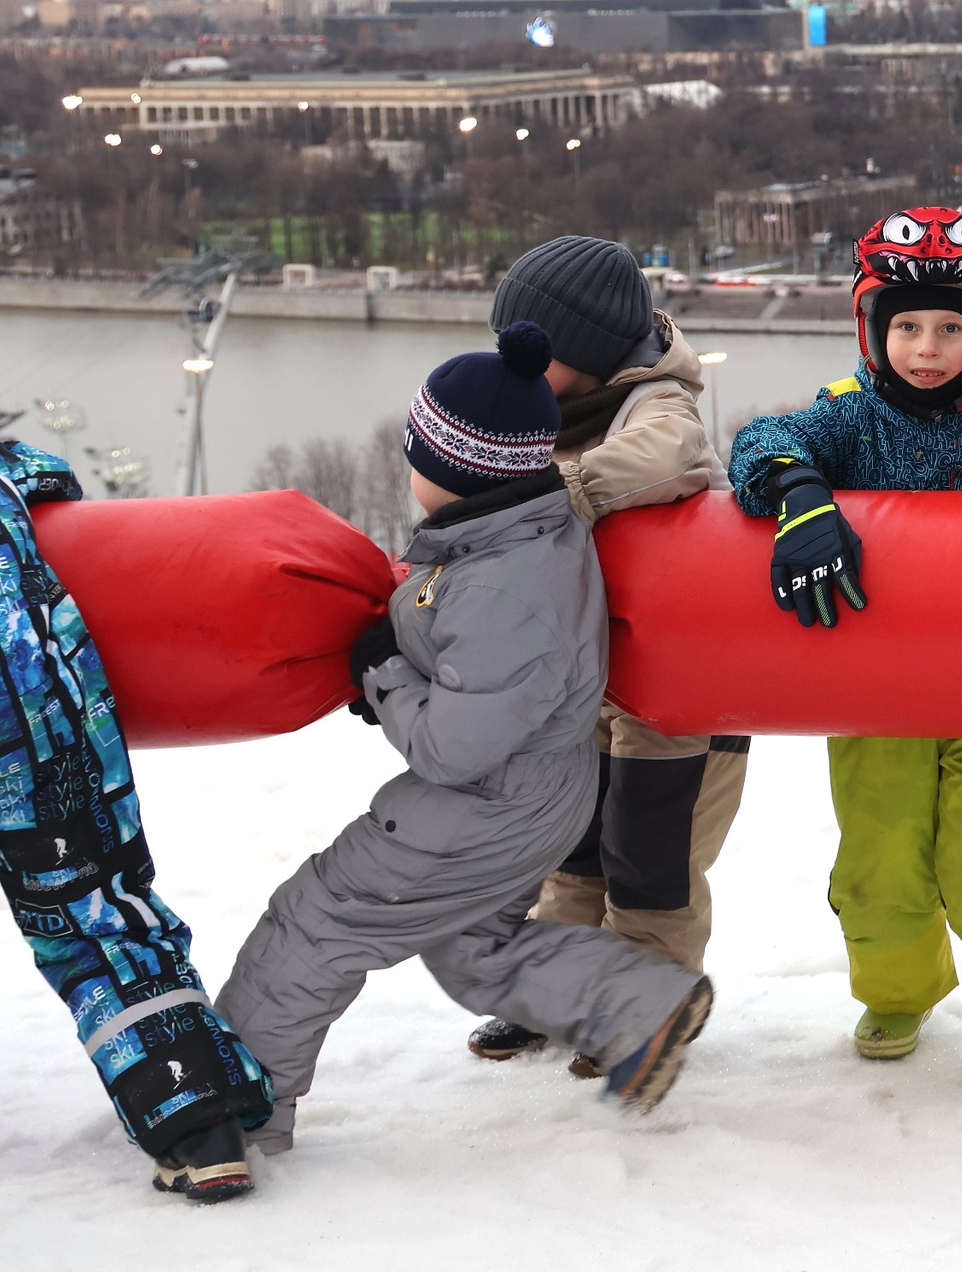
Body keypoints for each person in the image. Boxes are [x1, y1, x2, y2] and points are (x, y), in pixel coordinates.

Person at [217, 323, 715, 1153]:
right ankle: (640, 1004)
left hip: (484, 804)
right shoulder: (515, 533)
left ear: (448, 467)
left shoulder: (501, 585)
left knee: (317, 921)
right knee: (470, 945)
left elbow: (454, 746)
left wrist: (384, 678)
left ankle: (230, 1115)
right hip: (533, 795)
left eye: (416, 450)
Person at [727, 207, 962, 1084]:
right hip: (872, 694)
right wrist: (800, 491)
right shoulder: (849, 420)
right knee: (880, 855)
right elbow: (762, 441)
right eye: (906, 326)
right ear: (874, 331)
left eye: (950, 326)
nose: (926, 346)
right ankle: (896, 987)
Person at [463, 235, 735, 1075]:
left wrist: (556, 496)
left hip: (680, 692)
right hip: (583, 684)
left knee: (648, 853)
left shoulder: (656, 402)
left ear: (582, 353)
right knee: (571, 844)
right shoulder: (541, 407)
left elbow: (670, 459)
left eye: (529, 351)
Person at [0, 438, 273, 1202]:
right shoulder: (11, 475)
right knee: (99, 923)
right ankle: (199, 1123)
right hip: (40, 729)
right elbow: (52, 475)